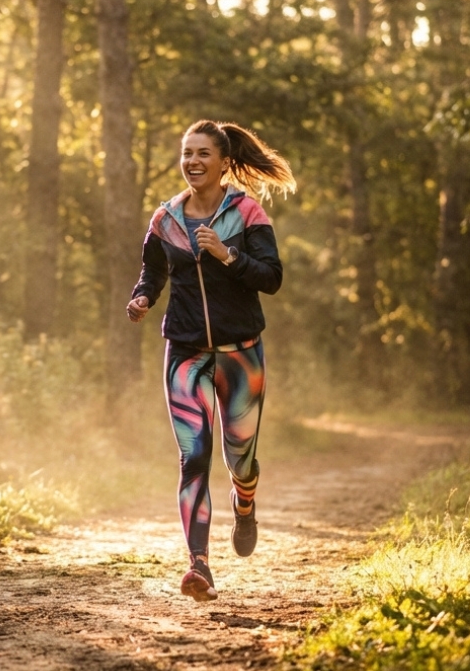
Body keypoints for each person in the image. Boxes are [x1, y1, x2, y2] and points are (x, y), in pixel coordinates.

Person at [126, 120, 293, 602]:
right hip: (186, 352)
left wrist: (227, 255)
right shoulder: (166, 220)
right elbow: (151, 273)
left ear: (223, 162)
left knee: (239, 458)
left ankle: (245, 502)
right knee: (193, 456)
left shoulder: (246, 212)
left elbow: (272, 278)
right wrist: (141, 299)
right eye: (187, 153)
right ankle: (198, 565)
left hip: (241, 352)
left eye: (203, 154)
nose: (193, 162)